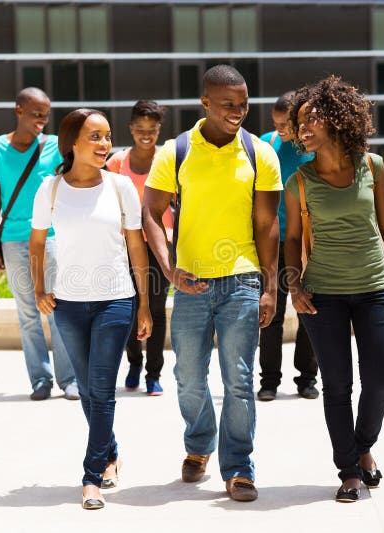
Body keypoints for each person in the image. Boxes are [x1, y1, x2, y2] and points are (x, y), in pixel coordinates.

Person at [144, 65, 281, 502]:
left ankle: (239, 466)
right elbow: (151, 212)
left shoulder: (261, 154)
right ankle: (200, 442)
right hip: (191, 283)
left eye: (243, 104)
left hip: (241, 279)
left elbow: (267, 225)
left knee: (239, 380)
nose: (238, 112)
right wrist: (168, 270)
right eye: (228, 105)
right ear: (205, 103)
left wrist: (271, 285)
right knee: (187, 376)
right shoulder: (176, 151)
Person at [283, 76, 384, 503]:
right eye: (298, 123)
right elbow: (291, 238)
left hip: (375, 286)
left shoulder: (371, 166)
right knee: (337, 385)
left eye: (310, 119)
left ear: (336, 118)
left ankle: (362, 447)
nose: (302, 129)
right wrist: (293, 285)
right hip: (323, 294)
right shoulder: (299, 180)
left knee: (380, 380)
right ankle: (349, 470)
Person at [30, 108, 152, 510]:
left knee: (101, 390)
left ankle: (91, 476)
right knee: (87, 390)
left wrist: (144, 304)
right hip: (68, 304)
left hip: (115, 299)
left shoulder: (120, 187)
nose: (105, 145)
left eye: (107, 137)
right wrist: (39, 290)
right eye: (96, 137)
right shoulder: (50, 189)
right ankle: (111, 451)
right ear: (73, 143)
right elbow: (35, 243)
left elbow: (136, 245)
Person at [0, 87, 78, 402]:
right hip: (13, 239)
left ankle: (69, 380)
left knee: (58, 308)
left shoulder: (53, 149)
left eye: (45, 116)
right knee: (28, 311)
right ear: (19, 110)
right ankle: (40, 380)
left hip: (50, 238)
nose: (41, 121)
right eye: (36, 115)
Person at [106, 99, 172, 396]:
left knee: (156, 310)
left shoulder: (167, 160)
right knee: (129, 307)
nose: (146, 134)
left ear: (159, 129)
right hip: (126, 247)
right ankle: (134, 362)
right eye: (140, 128)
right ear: (131, 128)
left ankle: (153, 373)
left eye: (152, 129)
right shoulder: (117, 163)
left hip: (159, 247)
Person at [257, 92, 319, 402]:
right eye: (276, 123)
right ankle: (268, 381)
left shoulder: (312, 148)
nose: (280, 129)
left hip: (309, 243)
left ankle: (307, 379)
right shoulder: (266, 144)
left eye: (286, 124)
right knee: (271, 312)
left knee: (309, 310)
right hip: (274, 242)